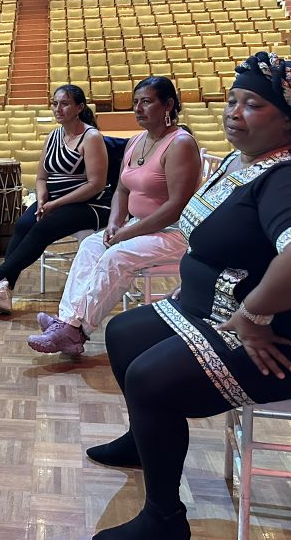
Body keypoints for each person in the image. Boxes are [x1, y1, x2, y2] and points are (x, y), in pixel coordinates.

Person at [87, 53, 291, 540]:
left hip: (286, 340)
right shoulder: (242, 160)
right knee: (123, 333)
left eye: (253, 104)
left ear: (290, 119)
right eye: (232, 100)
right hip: (213, 309)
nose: (234, 112)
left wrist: (253, 314)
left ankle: (164, 522)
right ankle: (144, 442)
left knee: (150, 379)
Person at [28, 77, 202, 356]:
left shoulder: (180, 143)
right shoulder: (136, 141)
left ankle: (74, 330)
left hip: (174, 232)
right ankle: (67, 321)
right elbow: (121, 189)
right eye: (135, 102)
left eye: (146, 102)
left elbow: (176, 206)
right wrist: (114, 224)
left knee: (116, 256)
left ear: (168, 105)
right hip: (137, 226)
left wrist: (127, 233)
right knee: (91, 245)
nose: (138, 108)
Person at [0, 84, 108, 314]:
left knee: (43, 227)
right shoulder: (53, 136)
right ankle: (5, 290)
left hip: (89, 204)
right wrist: (41, 199)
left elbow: (95, 185)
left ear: (79, 108)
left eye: (65, 104)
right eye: (55, 103)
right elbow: (41, 177)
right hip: (54, 200)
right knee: (23, 224)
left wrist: (55, 204)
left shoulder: (92, 137)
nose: (57, 108)